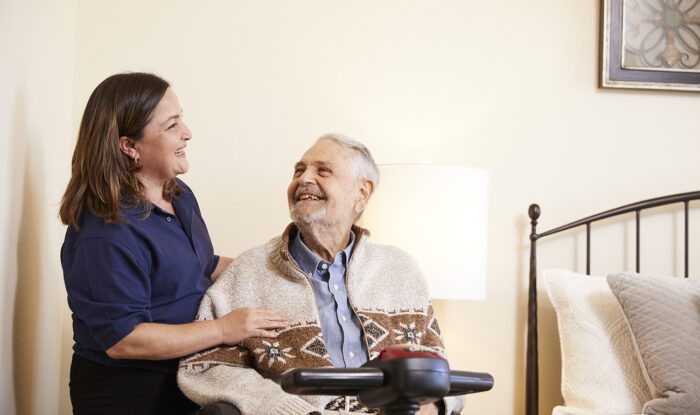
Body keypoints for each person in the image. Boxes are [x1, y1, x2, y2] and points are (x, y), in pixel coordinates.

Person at [177, 135, 463, 415]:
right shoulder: (249, 272)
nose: (304, 179)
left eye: (323, 171)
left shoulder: (401, 270)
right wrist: (281, 407)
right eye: (299, 170)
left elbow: (438, 367)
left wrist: (433, 406)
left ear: (361, 193)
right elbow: (204, 367)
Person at [59, 72, 289, 415]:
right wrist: (224, 329)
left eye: (181, 118)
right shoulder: (104, 233)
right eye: (171, 125)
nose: (187, 133)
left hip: (190, 374)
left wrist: (277, 267)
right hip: (129, 391)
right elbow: (125, 341)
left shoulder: (177, 195)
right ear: (129, 146)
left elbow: (202, 265)